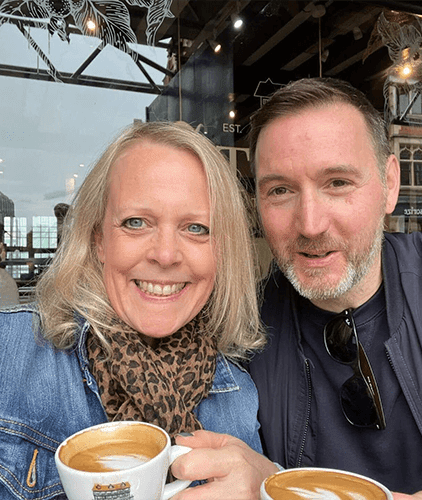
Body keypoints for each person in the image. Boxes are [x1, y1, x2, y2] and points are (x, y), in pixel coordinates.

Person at [174, 78, 422, 499]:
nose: (310, 224)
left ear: (390, 184)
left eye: (338, 183)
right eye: (281, 190)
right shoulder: (237, 333)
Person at [0, 121, 267, 499]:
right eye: (136, 223)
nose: (165, 254)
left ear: (222, 252)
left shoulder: (239, 399)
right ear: (99, 243)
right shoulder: (9, 356)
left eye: (196, 228)